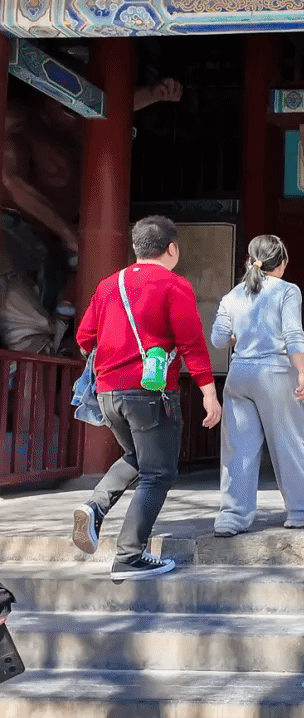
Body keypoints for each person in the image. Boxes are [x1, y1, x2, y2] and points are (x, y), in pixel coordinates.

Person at [71, 215, 222, 580]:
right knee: (158, 471)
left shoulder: (109, 285)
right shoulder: (174, 285)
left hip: (108, 393)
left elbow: (84, 338)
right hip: (150, 395)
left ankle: (95, 506)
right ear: (172, 248)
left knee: (136, 458)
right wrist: (209, 393)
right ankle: (129, 555)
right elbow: (191, 343)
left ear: (136, 248)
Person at [210, 234, 304, 538]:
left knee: (238, 448)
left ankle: (232, 516)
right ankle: (303, 510)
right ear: (283, 262)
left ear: (250, 260)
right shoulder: (287, 291)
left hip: (239, 375)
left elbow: (218, 339)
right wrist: (303, 372)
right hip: (275, 373)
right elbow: (293, 335)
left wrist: (241, 338)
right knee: (290, 443)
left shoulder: (232, 296)